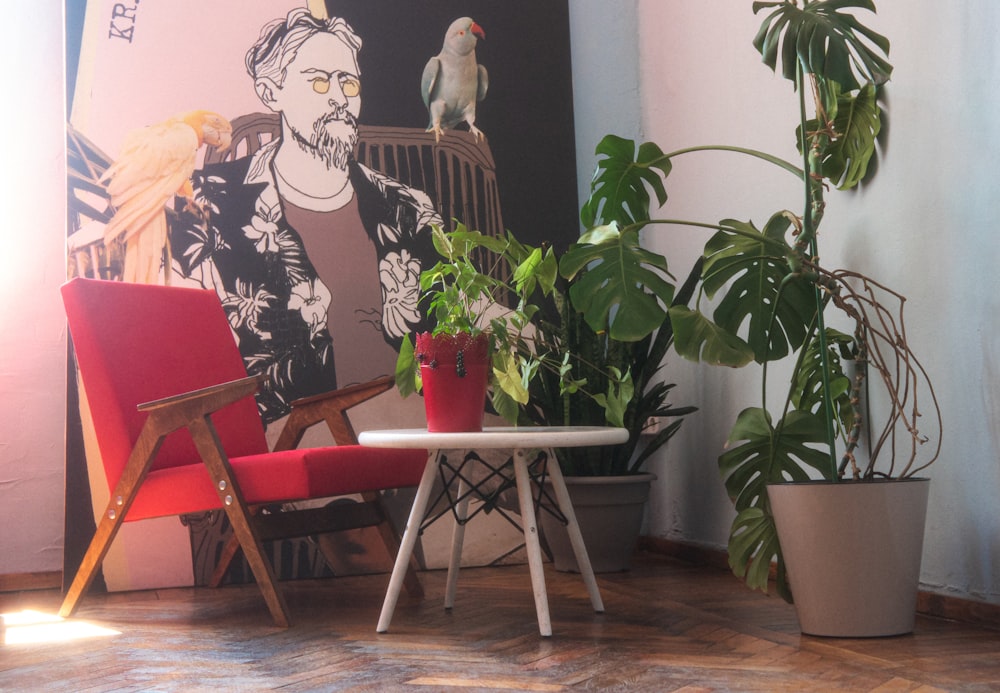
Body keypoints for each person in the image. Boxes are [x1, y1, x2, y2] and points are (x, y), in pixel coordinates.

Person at [169, 8, 440, 425]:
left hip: (415, 426)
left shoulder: (405, 206)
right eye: (318, 80)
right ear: (271, 91)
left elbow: (465, 305)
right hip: (292, 433)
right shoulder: (208, 203)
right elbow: (174, 334)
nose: (339, 97)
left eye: (348, 82)